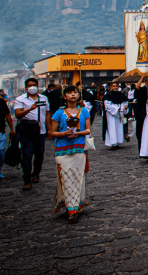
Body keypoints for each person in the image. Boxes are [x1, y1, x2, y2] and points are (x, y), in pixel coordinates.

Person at [49, 85, 91, 223]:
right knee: (66, 177)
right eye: (70, 93)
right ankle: (71, 209)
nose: (73, 94)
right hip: (62, 149)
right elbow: (52, 132)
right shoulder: (59, 113)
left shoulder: (84, 111)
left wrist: (78, 133)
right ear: (64, 96)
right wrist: (63, 133)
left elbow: (88, 130)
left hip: (79, 149)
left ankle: (75, 204)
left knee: (78, 178)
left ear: (78, 95)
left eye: (75, 92)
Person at [14, 78, 49, 191]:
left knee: (39, 154)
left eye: (34, 85)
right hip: (27, 131)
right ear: (26, 87)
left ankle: (36, 173)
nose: (32, 87)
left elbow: (47, 114)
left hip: (41, 130)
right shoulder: (20, 99)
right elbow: (18, 114)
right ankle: (27, 179)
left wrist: (49, 129)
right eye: (30, 85)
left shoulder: (43, 98)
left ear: (38, 86)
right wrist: (30, 109)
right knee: (27, 154)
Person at [103, 82, 129, 150]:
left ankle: (117, 142)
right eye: (113, 86)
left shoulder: (121, 94)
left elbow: (125, 102)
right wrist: (116, 108)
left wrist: (125, 106)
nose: (115, 87)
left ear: (118, 87)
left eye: (116, 86)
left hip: (119, 114)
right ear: (111, 87)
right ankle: (112, 143)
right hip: (112, 114)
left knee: (118, 128)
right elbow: (107, 105)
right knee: (112, 128)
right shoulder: (108, 95)